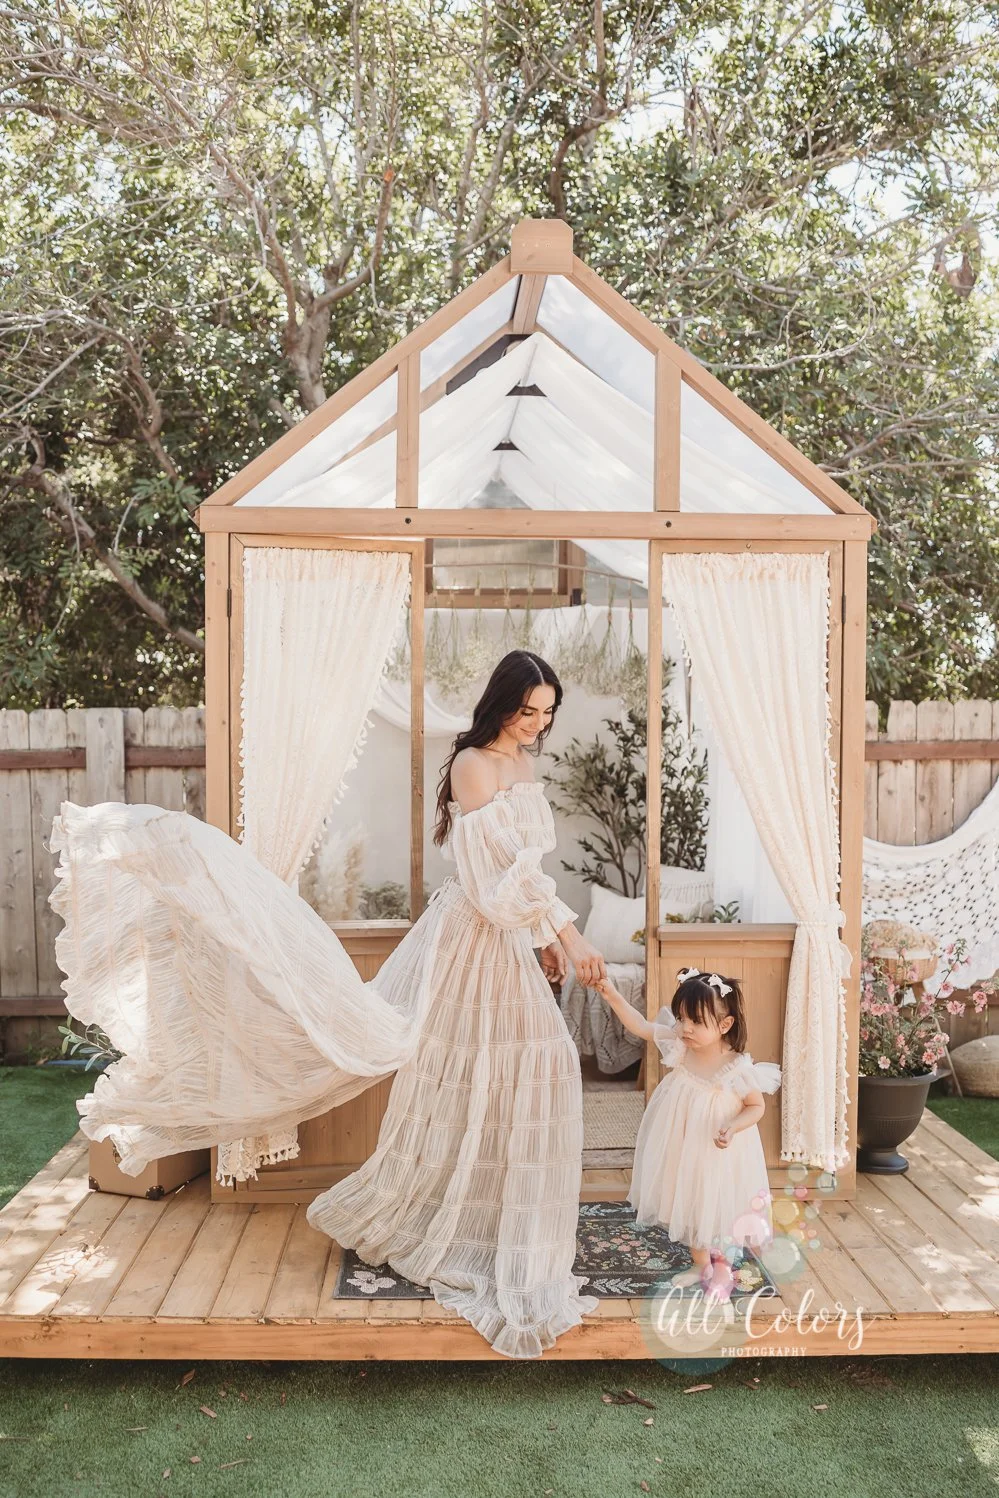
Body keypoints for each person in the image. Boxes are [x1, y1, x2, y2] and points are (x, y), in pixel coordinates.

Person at [47, 649, 607, 1358]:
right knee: (465, 1065)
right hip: (467, 942)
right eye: (527, 711)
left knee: (535, 1067)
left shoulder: (523, 768)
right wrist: (564, 929)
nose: (535, 726)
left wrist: (544, 939)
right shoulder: (472, 765)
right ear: (499, 705)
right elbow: (499, 878)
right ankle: (446, 1218)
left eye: (546, 714)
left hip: (505, 941)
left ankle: (505, 1227)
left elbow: (523, 877)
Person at [593, 966, 780, 1301]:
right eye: (681, 1018)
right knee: (690, 1202)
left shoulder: (736, 1068)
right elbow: (642, 1026)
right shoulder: (681, 1045)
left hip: (718, 1151)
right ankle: (700, 1265)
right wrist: (612, 995)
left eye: (695, 1021)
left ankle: (722, 1268)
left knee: (715, 1206)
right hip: (684, 1144)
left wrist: (733, 1127)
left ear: (725, 1025)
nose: (684, 1028)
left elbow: (756, 1107)